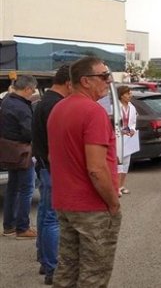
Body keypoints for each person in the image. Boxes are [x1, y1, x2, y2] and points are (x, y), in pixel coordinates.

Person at [48, 57, 121, 287]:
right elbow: (96, 169)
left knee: (67, 268)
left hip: (65, 203)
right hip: (92, 207)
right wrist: (113, 203)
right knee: (94, 274)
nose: (108, 81)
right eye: (103, 76)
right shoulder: (94, 112)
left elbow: (53, 157)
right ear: (85, 81)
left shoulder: (58, 108)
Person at [32, 65, 71, 285]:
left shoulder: (43, 101)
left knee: (45, 215)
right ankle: (52, 268)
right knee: (52, 219)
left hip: (44, 166)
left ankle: (44, 258)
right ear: (68, 83)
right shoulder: (56, 105)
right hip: (52, 168)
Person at [1, 75, 38, 239]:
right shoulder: (22, 107)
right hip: (23, 152)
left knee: (12, 188)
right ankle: (23, 227)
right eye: (33, 91)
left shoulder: (7, 101)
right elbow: (28, 132)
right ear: (28, 89)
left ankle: (9, 226)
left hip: (9, 151)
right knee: (26, 190)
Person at [116, 85, 137, 197]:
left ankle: (121, 186)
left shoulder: (132, 107)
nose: (130, 95)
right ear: (121, 95)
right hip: (118, 137)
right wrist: (121, 130)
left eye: (130, 93)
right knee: (118, 163)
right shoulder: (115, 106)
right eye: (128, 94)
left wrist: (132, 130)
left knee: (126, 163)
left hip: (128, 138)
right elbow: (113, 122)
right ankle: (116, 187)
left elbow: (133, 122)